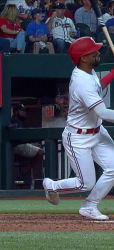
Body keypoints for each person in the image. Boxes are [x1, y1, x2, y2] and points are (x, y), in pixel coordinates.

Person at [43, 37, 114, 220]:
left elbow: (98, 88)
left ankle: (90, 206)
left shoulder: (88, 72)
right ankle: (52, 186)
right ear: (83, 58)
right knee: (85, 183)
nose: (98, 52)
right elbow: (103, 112)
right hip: (79, 138)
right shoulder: (81, 81)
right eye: (94, 52)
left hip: (97, 132)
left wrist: (113, 74)